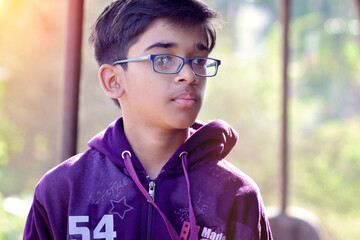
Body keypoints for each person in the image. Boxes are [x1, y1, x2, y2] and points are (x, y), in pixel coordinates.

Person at [23, 0, 272, 239]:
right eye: (163, 59)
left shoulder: (236, 195)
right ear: (113, 80)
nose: (189, 75)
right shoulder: (63, 191)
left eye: (198, 61)